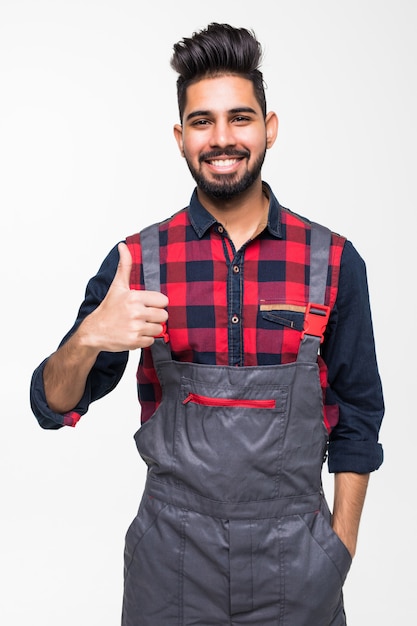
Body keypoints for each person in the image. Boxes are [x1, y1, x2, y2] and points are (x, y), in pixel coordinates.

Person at [30, 22, 384, 626]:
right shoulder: (136, 263)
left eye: (240, 118)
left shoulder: (333, 262)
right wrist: (90, 336)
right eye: (203, 121)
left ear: (269, 129)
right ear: (181, 137)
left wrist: (338, 549)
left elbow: (358, 416)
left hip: (298, 562)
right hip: (169, 566)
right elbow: (50, 404)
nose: (223, 138)